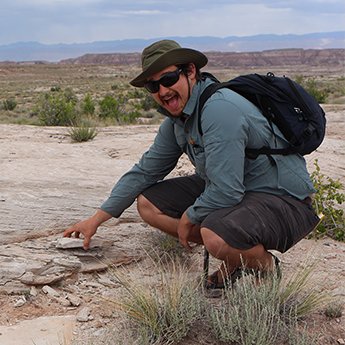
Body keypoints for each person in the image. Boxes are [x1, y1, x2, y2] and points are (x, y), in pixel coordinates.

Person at [63, 39, 320, 289]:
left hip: (284, 200)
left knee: (214, 235)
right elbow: (145, 171)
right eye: (153, 86)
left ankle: (264, 265)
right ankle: (236, 255)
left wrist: (190, 216)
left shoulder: (219, 110)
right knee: (149, 204)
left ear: (190, 72)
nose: (163, 91)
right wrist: (96, 220)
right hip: (240, 192)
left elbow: (226, 190)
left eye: (168, 79)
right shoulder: (178, 121)